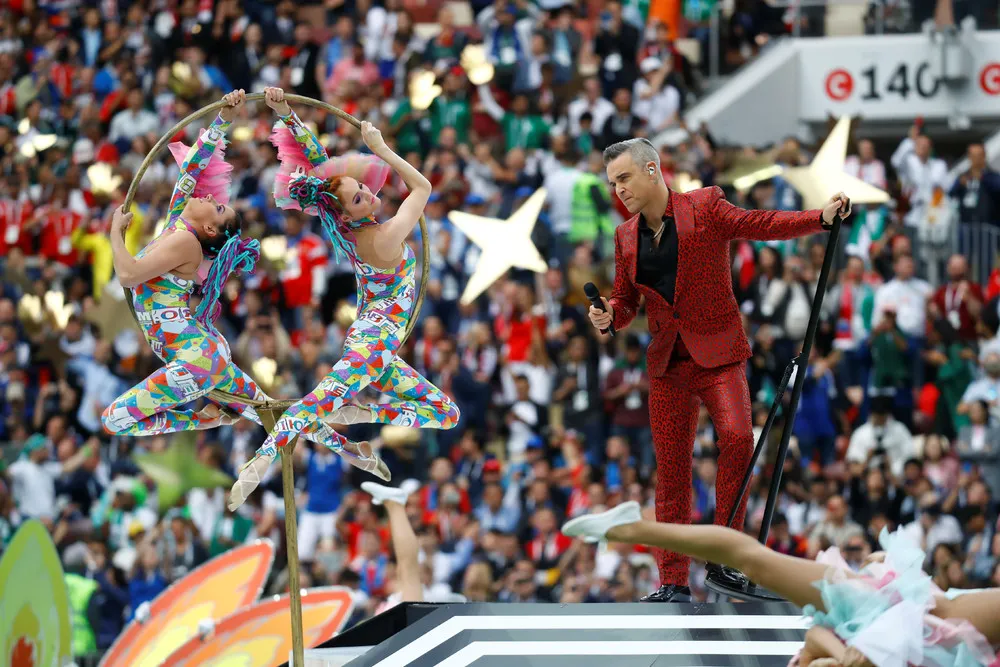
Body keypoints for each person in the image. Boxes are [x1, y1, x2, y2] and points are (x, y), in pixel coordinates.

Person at [588, 137, 849, 601]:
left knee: (737, 438)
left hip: (718, 354)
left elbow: (758, 223)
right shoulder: (624, 235)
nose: (618, 190)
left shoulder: (705, 206)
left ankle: (726, 560)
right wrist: (610, 314)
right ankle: (672, 580)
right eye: (612, 183)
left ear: (653, 170)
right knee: (671, 471)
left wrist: (818, 218)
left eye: (624, 178)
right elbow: (628, 302)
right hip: (668, 363)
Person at [229, 88, 461, 509]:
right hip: (372, 345)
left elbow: (320, 167)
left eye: (363, 190)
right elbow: (422, 188)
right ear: (347, 213)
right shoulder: (385, 237)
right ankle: (259, 463)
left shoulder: (350, 227)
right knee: (307, 410)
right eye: (359, 198)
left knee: (446, 414)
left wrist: (286, 114)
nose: (370, 196)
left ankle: (357, 418)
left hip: (378, 344)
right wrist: (381, 149)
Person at [101, 90, 344, 458]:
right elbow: (191, 170)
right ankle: (348, 449)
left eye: (215, 206)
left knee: (115, 420)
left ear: (210, 231)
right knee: (270, 411)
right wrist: (222, 121)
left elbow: (127, 274)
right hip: (201, 353)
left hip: (196, 358)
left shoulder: (186, 244)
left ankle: (208, 419)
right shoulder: (178, 226)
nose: (208, 196)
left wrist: (115, 235)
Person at [563, 502, 999, 666]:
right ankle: (634, 526)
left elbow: (815, 636)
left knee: (754, 560)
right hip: (915, 614)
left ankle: (634, 527)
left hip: (886, 615)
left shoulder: (819, 657)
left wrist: (841, 655)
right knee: (754, 559)